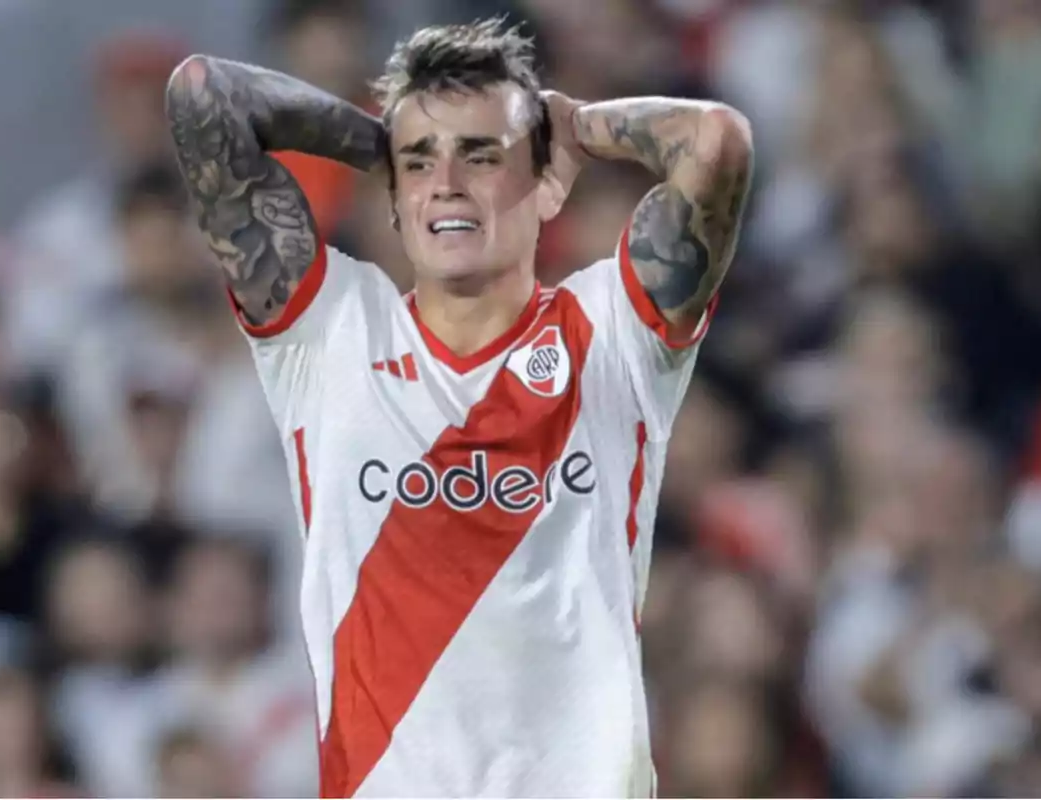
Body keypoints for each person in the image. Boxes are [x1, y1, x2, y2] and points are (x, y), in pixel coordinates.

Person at [165, 16, 752, 798]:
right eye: (421, 163)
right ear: (397, 200)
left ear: (547, 184)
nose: (447, 182)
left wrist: (572, 125)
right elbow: (204, 95)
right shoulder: (331, 330)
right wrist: (378, 143)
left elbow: (716, 145)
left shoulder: (613, 332)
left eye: (482, 155)